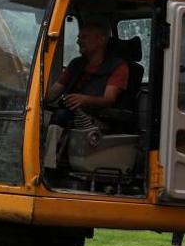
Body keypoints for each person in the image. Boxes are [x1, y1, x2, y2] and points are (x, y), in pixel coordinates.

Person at [42, 16, 131, 171]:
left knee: (61, 116)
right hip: (69, 111)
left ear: (101, 40)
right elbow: (52, 93)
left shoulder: (118, 66)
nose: (78, 41)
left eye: (84, 37)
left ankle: (48, 166)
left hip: (97, 118)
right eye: (78, 38)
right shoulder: (76, 64)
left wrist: (84, 100)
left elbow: (109, 99)